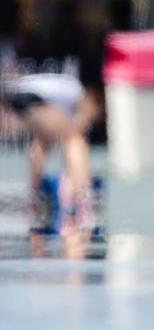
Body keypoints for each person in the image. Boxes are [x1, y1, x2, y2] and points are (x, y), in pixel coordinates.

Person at [1, 72, 102, 255]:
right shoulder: (80, 94)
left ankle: (35, 191)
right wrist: (72, 173)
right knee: (74, 140)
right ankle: (83, 194)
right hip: (31, 98)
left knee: (43, 142)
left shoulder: (65, 92)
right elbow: (78, 127)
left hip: (19, 99)